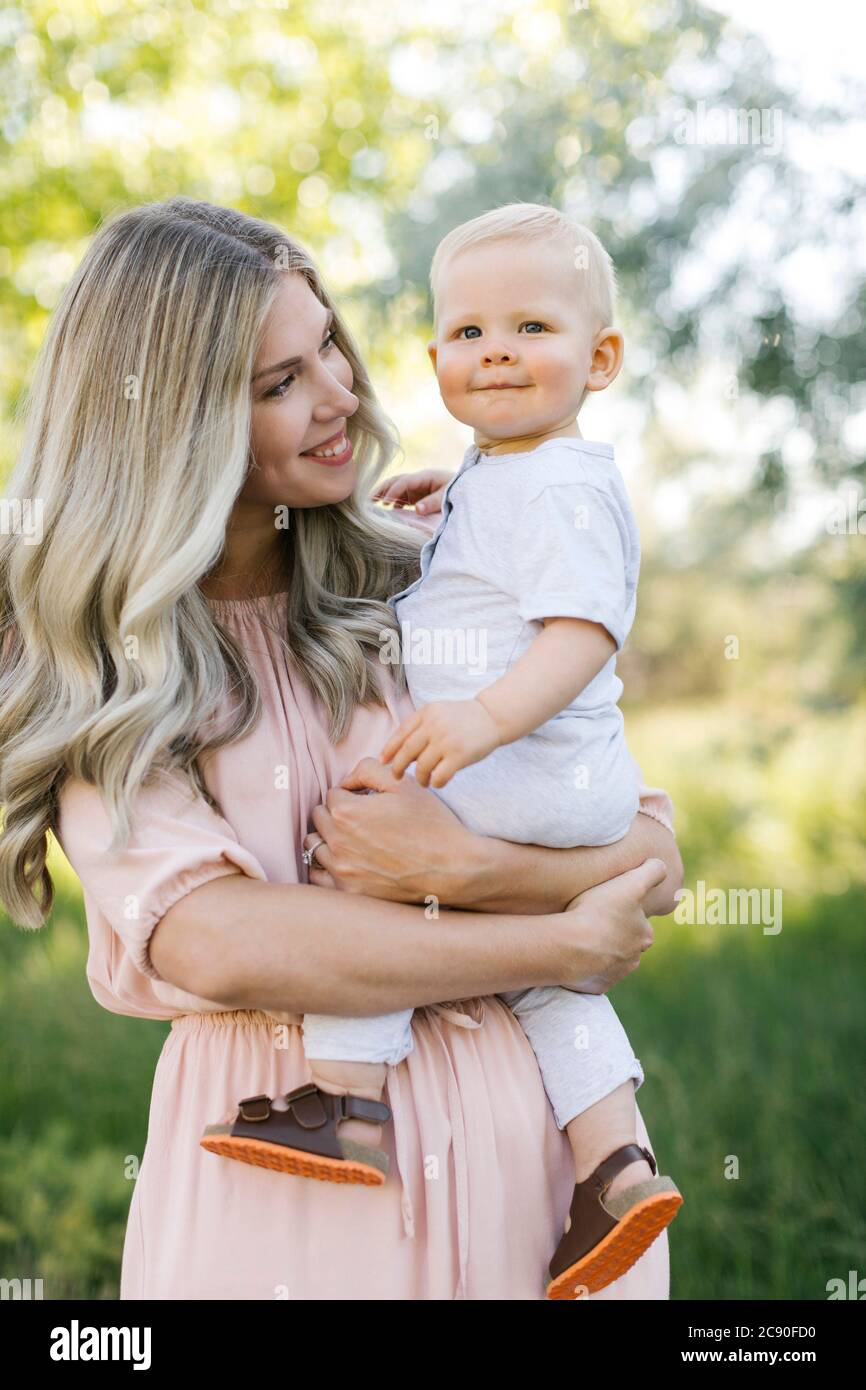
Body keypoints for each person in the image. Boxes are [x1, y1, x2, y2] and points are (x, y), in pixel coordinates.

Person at [0, 196, 682, 1300]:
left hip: (534, 1172)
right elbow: (212, 940)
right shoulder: (105, 659)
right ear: (168, 424)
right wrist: (554, 942)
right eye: (278, 384)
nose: (340, 398)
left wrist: (477, 874)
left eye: (328, 346)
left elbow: (648, 849)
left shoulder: (424, 568)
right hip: (290, 1198)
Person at [222, 203, 682, 1299]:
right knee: (550, 978)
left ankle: (344, 1096)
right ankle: (612, 1158)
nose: (498, 352)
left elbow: (579, 630)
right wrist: (455, 507)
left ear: (601, 358)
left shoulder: (566, 481)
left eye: (531, 326)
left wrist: (477, 727)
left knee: (374, 865)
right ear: (432, 359)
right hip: (565, 793)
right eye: (469, 335)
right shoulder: (505, 477)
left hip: (518, 770)